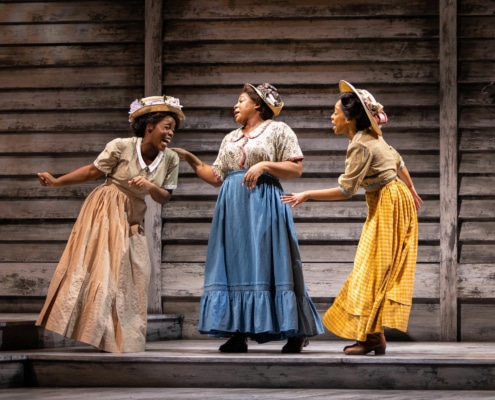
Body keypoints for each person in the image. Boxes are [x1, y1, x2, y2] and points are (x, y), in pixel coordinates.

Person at [172, 83, 324, 353]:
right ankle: (238, 331)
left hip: (263, 203)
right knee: (235, 264)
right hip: (233, 207)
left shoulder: (278, 129)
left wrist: (264, 164)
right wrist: (190, 160)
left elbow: (295, 169)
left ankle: (296, 331)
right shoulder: (230, 138)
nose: (235, 105)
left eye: (241, 100)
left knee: (272, 263)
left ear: (257, 104)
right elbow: (216, 177)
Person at [281, 80, 423, 356]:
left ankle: (371, 337)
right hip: (392, 201)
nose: (332, 116)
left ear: (350, 119)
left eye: (336, 112)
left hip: (388, 204)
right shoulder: (373, 137)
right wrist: (411, 188)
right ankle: (374, 335)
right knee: (376, 271)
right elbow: (399, 161)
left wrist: (307, 194)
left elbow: (347, 190)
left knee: (370, 271)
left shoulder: (360, 145)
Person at [35, 95, 185, 353]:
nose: (171, 133)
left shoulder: (171, 159)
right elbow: (93, 171)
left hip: (133, 215)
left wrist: (149, 186)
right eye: (167, 126)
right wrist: (58, 182)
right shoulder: (122, 146)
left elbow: (165, 197)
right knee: (105, 271)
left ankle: (123, 338)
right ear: (150, 126)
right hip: (105, 209)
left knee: (137, 272)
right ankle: (98, 334)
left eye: (173, 128)